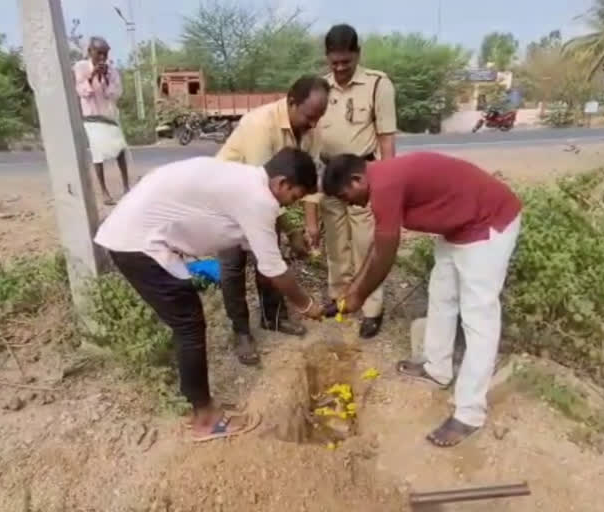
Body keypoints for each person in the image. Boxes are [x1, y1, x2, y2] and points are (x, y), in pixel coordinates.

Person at [95, 148, 325, 442]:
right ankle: (204, 419)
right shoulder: (259, 199)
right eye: (293, 197)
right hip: (138, 243)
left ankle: (198, 405)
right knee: (188, 325)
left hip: (137, 235)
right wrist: (307, 305)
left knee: (187, 322)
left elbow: (257, 249)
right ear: (281, 183)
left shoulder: (245, 179)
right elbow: (273, 269)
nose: (287, 204)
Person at [321, 152, 522, 448]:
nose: (348, 203)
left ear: (356, 179)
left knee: (479, 319)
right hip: (458, 228)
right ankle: (437, 368)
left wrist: (359, 296)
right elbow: (378, 243)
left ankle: (470, 414)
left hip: (486, 225)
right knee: (441, 296)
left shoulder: (385, 186)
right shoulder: (380, 180)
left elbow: (386, 255)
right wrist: (353, 288)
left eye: (345, 195)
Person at [216, 75, 329, 365]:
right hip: (229, 199)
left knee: (269, 260)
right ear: (291, 102)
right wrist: (292, 231)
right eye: (309, 116)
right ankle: (241, 332)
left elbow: (308, 183)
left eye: (318, 118)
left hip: (265, 198)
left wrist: (311, 224)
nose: (313, 124)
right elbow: (262, 191)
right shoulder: (259, 125)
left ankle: (273, 317)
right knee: (233, 267)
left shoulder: (311, 131)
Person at [303, 23, 397, 339]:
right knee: (335, 248)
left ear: (357, 54)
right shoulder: (320, 89)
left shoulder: (377, 85)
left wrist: (389, 187)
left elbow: (386, 139)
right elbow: (312, 144)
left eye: (346, 61)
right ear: (327, 58)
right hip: (329, 180)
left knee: (365, 246)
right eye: (334, 62)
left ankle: (371, 308)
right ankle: (340, 300)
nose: (340, 68)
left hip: (361, 182)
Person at [74, 36, 129, 206]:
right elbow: (82, 91)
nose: (103, 58)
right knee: (98, 153)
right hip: (92, 116)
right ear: (90, 52)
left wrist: (105, 78)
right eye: (99, 54)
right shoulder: (80, 67)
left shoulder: (112, 71)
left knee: (119, 150)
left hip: (110, 116)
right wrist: (92, 76)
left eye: (105, 54)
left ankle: (126, 187)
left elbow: (115, 94)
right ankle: (104, 192)